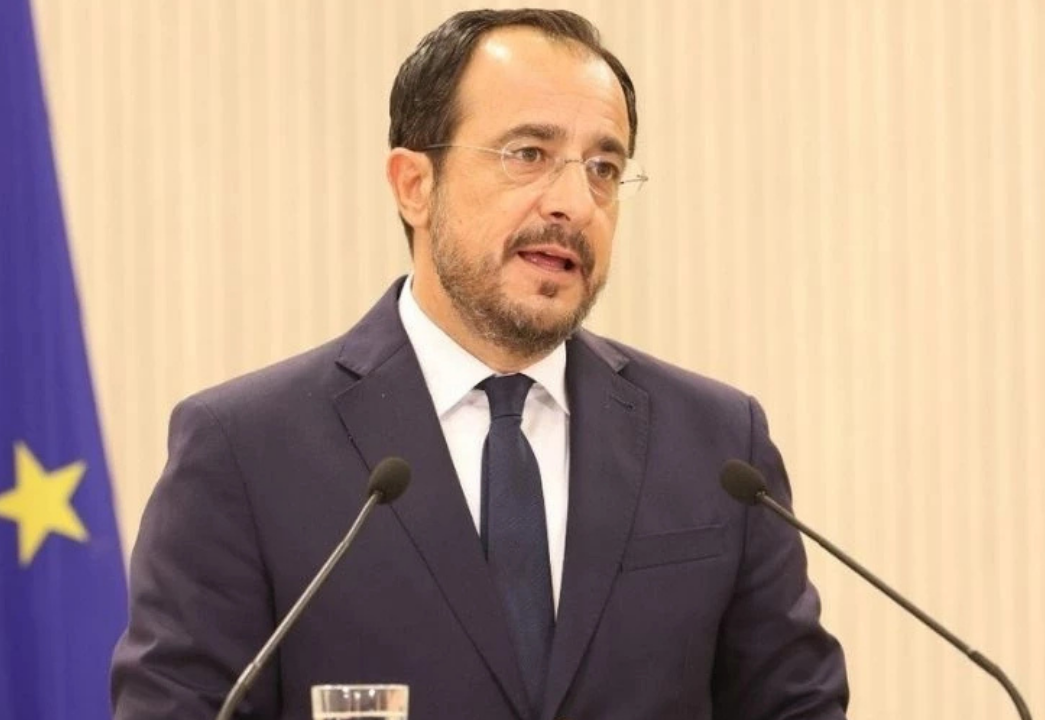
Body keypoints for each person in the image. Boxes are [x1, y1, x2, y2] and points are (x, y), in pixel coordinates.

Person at [111, 8, 849, 720]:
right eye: (528, 154)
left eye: (603, 167)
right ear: (414, 185)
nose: (574, 202)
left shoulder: (718, 447)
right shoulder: (246, 451)